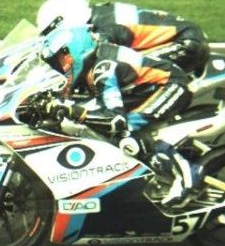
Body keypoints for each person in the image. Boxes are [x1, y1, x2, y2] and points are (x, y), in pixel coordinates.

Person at [38, 25, 203, 206]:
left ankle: (187, 175)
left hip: (172, 86)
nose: (58, 69)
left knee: (126, 135)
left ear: (74, 51)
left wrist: (74, 111)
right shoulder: (94, 61)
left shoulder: (103, 68)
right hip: (146, 89)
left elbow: (115, 121)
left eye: (58, 62)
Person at [36, 0, 210, 77]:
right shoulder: (101, 14)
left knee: (121, 73)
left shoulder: (105, 28)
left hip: (186, 43)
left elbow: (96, 60)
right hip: (186, 36)